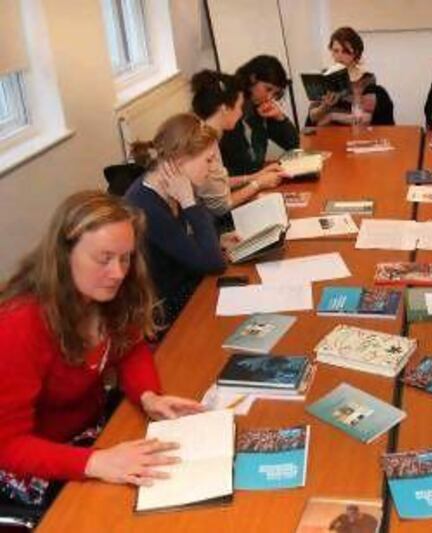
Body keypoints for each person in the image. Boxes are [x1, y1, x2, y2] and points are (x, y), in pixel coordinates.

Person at [0, 191, 203, 514]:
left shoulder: (106, 293)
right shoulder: (19, 324)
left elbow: (131, 348)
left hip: (91, 433)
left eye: (126, 258)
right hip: (35, 458)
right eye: (104, 258)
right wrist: (96, 461)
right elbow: (8, 444)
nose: (119, 273)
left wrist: (149, 396)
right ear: (64, 254)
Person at [125, 113, 232, 329]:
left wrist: (217, 240)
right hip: (163, 316)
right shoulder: (146, 207)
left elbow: (184, 244)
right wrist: (189, 202)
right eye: (208, 160)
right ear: (180, 161)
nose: (212, 168)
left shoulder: (171, 189)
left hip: (187, 291)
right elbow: (213, 264)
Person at [190, 70, 286, 218]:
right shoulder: (204, 145)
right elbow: (221, 206)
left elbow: (219, 183)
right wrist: (258, 184)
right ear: (224, 109)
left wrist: (255, 176)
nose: (241, 113)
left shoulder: (208, 133)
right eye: (239, 106)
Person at [219, 55, 300, 177]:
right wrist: (259, 178)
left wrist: (279, 117)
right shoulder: (230, 112)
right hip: (238, 185)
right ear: (252, 78)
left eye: (275, 93)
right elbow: (244, 165)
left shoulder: (259, 107)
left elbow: (293, 144)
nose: (270, 97)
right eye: (268, 89)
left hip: (257, 179)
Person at [307, 27, 394, 127]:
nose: (339, 56)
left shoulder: (366, 78)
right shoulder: (326, 75)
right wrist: (325, 106)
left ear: (355, 53)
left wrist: (332, 116)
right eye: (335, 51)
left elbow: (365, 118)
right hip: (326, 133)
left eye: (345, 51)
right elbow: (312, 117)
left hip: (352, 133)